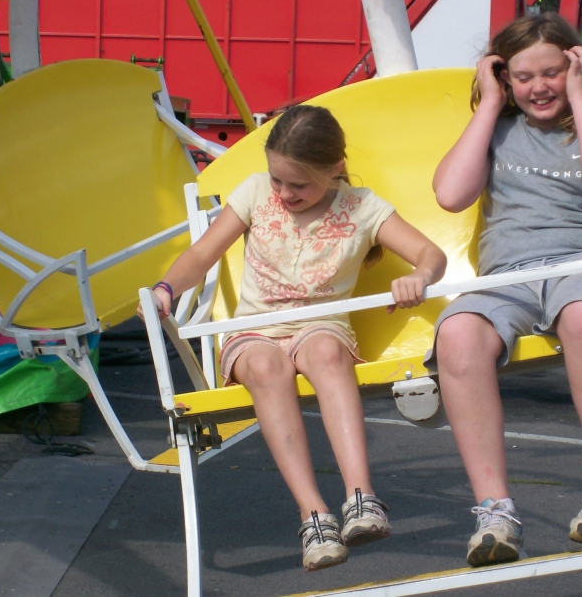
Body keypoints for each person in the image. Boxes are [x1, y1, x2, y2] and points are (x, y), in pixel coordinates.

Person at [141, 105, 447, 572]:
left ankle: (361, 497)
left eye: (298, 185)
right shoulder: (256, 193)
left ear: (335, 169)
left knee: (325, 350)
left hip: (320, 326)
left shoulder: (362, 207)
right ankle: (313, 515)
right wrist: (165, 288)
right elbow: (203, 252)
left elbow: (430, 253)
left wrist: (420, 275)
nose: (284, 193)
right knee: (266, 367)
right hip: (255, 330)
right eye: (277, 180)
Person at [430, 12, 582, 567]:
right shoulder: (496, 129)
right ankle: (494, 511)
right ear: (502, 78)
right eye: (523, 77)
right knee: (455, 334)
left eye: (553, 72)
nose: (539, 87)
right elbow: (451, 195)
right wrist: (489, 105)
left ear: (577, 66)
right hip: (509, 276)